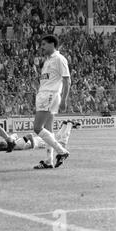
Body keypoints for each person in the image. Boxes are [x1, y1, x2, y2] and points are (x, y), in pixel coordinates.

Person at [32, 35, 71, 169]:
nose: (41, 47)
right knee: (48, 129)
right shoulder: (47, 61)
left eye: (44, 44)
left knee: (37, 128)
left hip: (50, 95)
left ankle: (62, 151)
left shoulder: (59, 59)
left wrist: (64, 99)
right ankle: (49, 161)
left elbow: (67, 80)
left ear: (52, 44)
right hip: (45, 95)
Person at [0, 120, 80, 154]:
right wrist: (12, 138)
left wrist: (33, 146)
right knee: (57, 138)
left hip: (40, 142)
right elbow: (15, 134)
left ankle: (69, 125)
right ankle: (65, 125)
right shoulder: (14, 143)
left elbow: (29, 135)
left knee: (61, 144)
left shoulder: (17, 145)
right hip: (39, 140)